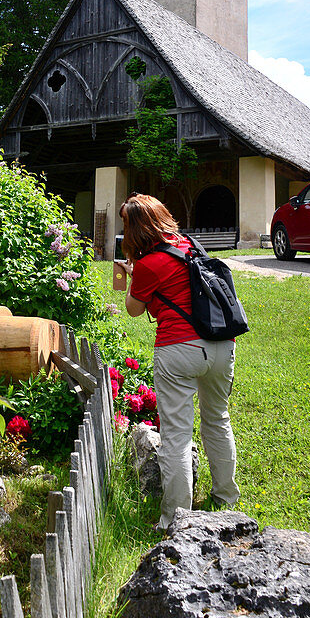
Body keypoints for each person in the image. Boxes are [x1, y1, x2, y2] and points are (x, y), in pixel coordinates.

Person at [115, 193, 240, 530]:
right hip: (220, 343)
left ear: (135, 229)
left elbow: (134, 308)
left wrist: (129, 275)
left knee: (177, 435)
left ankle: (176, 520)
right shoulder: (190, 245)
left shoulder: (147, 264)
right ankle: (226, 499)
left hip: (178, 349)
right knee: (218, 419)